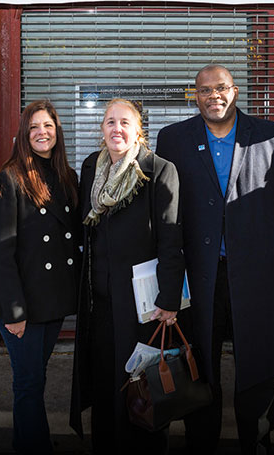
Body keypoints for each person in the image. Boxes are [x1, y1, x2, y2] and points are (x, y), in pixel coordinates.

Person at [156, 64, 274, 455]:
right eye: (204, 90)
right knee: (201, 360)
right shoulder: (173, 139)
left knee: (259, 360)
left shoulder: (273, 135)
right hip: (201, 275)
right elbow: (167, 211)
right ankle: (203, 440)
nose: (213, 96)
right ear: (195, 95)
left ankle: (256, 439)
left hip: (259, 274)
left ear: (235, 91)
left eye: (220, 88)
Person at [69, 98, 185, 454]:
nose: (116, 129)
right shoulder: (92, 167)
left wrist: (169, 300)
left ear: (139, 130)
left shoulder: (158, 170)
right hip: (101, 302)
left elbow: (171, 239)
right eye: (109, 122)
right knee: (105, 384)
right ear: (101, 130)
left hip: (144, 306)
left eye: (124, 122)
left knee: (142, 385)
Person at [0, 100, 81, 454]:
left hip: (52, 301)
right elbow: (1, 252)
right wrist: (14, 312)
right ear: (24, 135)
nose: (42, 132)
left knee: (34, 378)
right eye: (34, 127)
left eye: (48, 126)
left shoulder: (67, 177)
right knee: (28, 382)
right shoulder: (7, 178)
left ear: (57, 132)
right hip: (20, 303)